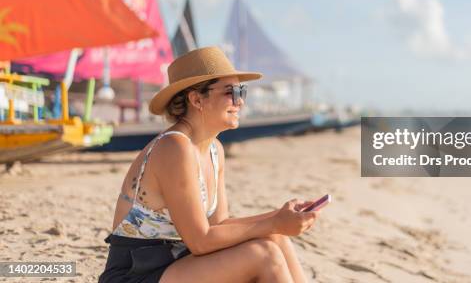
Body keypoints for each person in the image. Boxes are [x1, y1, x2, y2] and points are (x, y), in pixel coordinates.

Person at [99, 46, 320, 283]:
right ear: (196, 99)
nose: (240, 102)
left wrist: (280, 217)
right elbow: (201, 241)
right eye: (231, 92)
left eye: (241, 92)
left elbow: (219, 226)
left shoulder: (214, 149)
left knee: (277, 239)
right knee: (263, 254)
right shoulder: (174, 147)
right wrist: (274, 221)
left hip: (174, 263)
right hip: (136, 273)